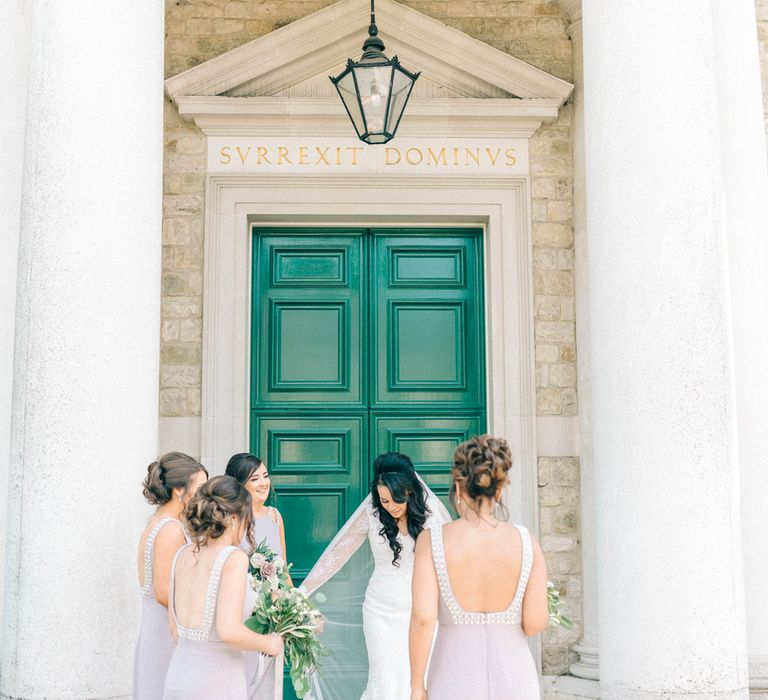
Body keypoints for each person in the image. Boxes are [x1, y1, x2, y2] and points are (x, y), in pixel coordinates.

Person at [409, 435, 549, 700]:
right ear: (498, 490)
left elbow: (423, 619)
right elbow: (534, 623)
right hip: (515, 675)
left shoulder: (432, 541)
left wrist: (417, 685)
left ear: (459, 488)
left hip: (453, 672)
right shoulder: (526, 542)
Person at [302, 452, 451, 700]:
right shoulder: (373, 512)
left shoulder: (431, 513)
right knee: (385, 677)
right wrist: (303, 590)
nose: (389, 507)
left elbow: (448, 563)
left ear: (410, 492)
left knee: (420, 678)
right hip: (379, 609)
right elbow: (339, 553)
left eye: (395, 500)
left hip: (421, 608)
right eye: (384, 500)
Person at [163, 475, 283, 699]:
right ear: (235, 518)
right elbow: (229, 631)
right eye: (248, 519)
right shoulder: (232, 558)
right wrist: (270, 643)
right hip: (216, 682)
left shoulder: (181, 554)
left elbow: (174, 629)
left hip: (178, 676)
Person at [133, 452, 208, 700]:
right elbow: (164, 593)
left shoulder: (164, 522)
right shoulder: (169, 529)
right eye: (199, 488)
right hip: (165, 632)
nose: (204, 496)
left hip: (160, 627)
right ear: (179, 490)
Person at [225, 452, 290, 697]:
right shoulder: (232, 521)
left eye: (265, 476)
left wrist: (293, 607)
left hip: (273, 616)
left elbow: (283, 570)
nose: (264, 483)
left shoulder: (275, 516)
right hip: (244, 615)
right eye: (255, 479)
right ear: (239, 485)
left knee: (269, 687)